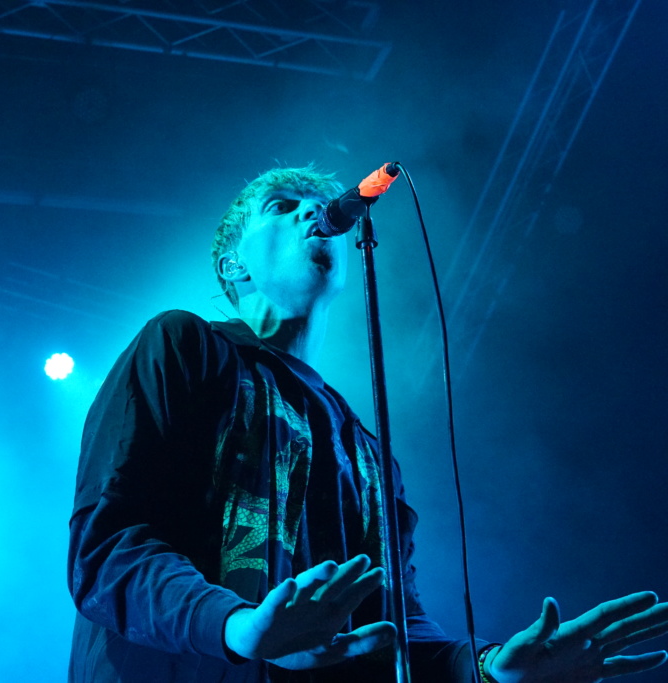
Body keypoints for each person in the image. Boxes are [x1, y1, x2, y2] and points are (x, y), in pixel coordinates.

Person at [66, 165, 668, 681]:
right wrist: (236, 625)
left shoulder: (369, 452)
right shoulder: (184, 345)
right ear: (235, 267)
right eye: (282, 206)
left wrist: (484, 668)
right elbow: (107, 547)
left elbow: (392, 629)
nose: (312, 213)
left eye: (315, 203)